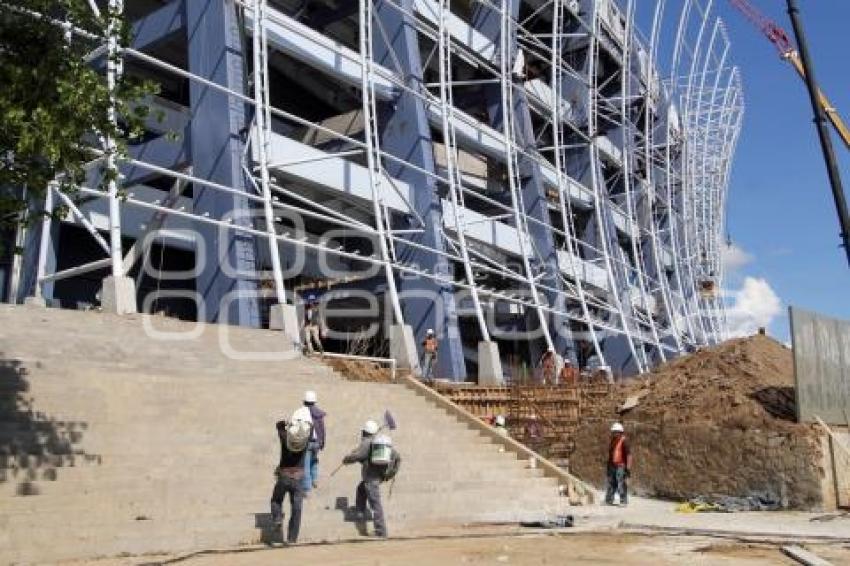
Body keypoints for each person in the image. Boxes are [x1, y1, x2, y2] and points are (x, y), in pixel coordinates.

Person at [342, 420, 401, 538]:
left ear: (364, 432)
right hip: (378, 476)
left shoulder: (367, 442)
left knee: (375, 504)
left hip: (371, 478)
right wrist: (390, 474)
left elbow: (359, 456)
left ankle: (381, 531)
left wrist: (347, 459)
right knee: (361, 488)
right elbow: (397, 457)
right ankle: (360, 511)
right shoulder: (378, 442)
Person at [270, 407, 313, 543]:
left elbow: (279, 425)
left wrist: (289, 423)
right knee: (297, 508)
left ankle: (277, 518)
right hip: (298, 478)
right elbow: (310, 428)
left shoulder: (284, 438)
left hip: (283, 476)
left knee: (276, 500)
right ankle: (292, 539)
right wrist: (302, 424)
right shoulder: (305, 441)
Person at [302, 390, 326, 495]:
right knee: (314, 461)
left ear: (304, 402)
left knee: (305, 464)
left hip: (306, 442)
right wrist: (322, 442)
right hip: (317, 442)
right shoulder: (318, 413)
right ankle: (314, 480)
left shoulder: (302, 413)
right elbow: (322, 429)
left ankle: (307, 488)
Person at [605, 422, 632, 506]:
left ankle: (623, 500)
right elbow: (611, 454)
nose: (614, 434)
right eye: (613, 432)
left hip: (621, 466)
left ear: (620, 432)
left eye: (616, 432)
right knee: (611, 483)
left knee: (621, 483)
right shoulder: (613, 442)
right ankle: (609, 500)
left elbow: (629, 455)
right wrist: (608, 466)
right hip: (612, 465)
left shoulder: (624, 441)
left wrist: (628, 469)